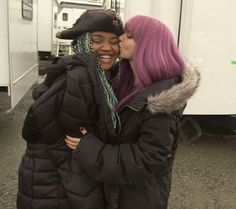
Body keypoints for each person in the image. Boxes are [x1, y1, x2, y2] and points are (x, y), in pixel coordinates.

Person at [64, 15, 200, 209]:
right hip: (117, 190)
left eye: (129, 35)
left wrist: (88, 148)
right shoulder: (123, 81)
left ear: (148, 44)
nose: (120, 38)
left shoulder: (161, 100)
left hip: (138, 198)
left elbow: (146, 158)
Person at [17, 9, 123, 209]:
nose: (107, 48)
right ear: (82, 41)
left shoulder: (92, 73)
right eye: (97, 40)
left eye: (114, 41)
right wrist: (91, 198)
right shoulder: (81, 77)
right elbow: (69, 148)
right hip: (53, 186)